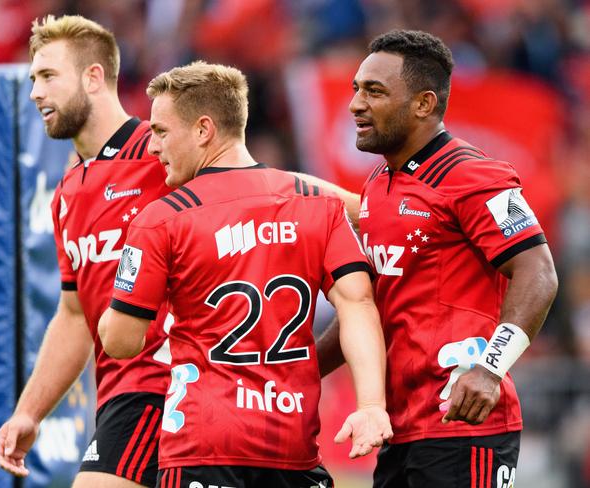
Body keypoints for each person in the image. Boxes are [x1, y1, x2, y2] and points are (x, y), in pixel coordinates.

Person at [98, 60, 393, 488]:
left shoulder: (160, 219)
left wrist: (113, 304)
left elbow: (121, 341)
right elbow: (359, 304)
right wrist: (370, 404)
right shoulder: (316, 202)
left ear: (203, 130)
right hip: (294, 448)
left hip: (203, 445)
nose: (152, 147)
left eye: (161, 132)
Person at [314, 30, 558, 487]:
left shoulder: (473, 175)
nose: (355, 105)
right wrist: (298, 373)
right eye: (355, 90)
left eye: (374, 91)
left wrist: (490, 368)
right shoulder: (379, 185)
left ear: (424, 103)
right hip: (399, 428)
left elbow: (538, 271)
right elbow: (367, 307)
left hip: (462, 426)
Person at [0, 15, 172, 487]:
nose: (34, 92)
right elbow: (74, 315)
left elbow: (256, 185)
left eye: (48, 76)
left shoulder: (159, 153)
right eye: (33, 78)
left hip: (165, 386)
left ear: (94, 77)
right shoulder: (68, 193)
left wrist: (356, 207)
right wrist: (29, 413)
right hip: (119, 396)